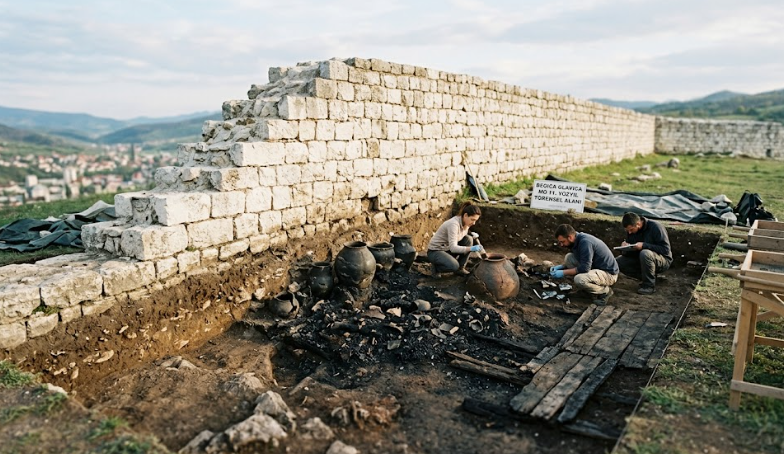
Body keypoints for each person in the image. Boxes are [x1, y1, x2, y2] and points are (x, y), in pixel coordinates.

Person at [550, 224, 619, 304]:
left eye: (562, 242)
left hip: (609, 274)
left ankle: (605, 291)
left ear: (570, 237)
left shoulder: (585, 242)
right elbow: (583, 260)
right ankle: (586, 288)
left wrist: (563, 272)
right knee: (569, 258)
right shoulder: (577, 240)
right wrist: (562, 267)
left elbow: (585, 268)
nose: (561, 245)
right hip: (595, 267)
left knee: (579, 279)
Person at [615, 212, 673, 295]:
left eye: (631, 230)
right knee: (617, 261)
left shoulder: (656, 227)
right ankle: (650, 277)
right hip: (641, 259)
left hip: (662, 260)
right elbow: (628, 255)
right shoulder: (631, 232)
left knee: (645, 253)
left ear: (638, 224)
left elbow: (665, 250)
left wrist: (644, 245)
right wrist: (625, 248)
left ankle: (649, 286)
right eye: (628, 231)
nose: (630, 233)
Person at [427, 201, 483, 275]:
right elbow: (453, 248)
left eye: (476, 220)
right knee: (454, 266)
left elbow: (461, 235)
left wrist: (472, 235)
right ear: (465, 215)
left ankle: (460, 268)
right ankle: (436, 268)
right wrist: (471, 248)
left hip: (447, 248)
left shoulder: (466, 223)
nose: (474, 223)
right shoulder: (453, 224)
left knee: (468, 239)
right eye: (473, 219)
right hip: (435, 251)